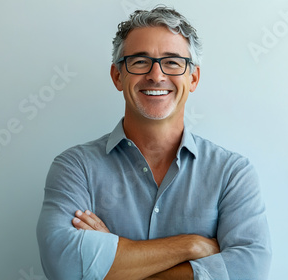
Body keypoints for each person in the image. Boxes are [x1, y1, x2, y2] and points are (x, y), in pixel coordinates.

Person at [37, 6, 271, 280]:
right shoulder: (75, 168)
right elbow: (64, 266)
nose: (156, 76)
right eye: (139, 61)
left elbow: (249, 271)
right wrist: (192, 245)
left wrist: (109, 265)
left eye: (172, 62)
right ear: (117, 76)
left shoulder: (232, 173)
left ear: (193, 78)